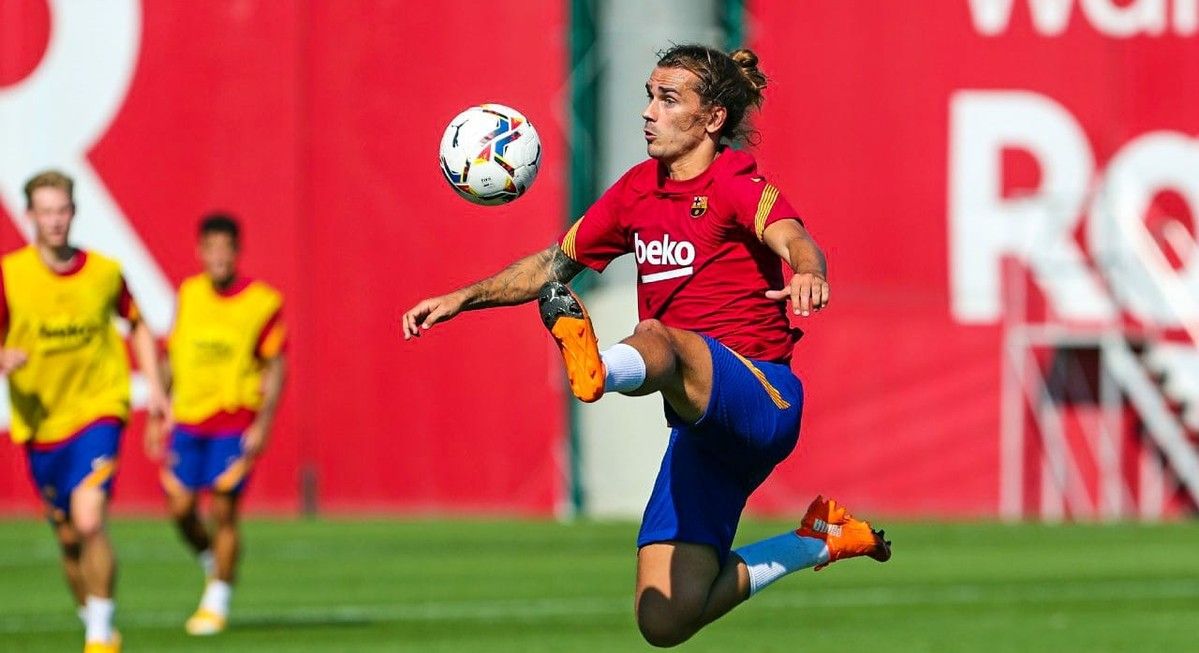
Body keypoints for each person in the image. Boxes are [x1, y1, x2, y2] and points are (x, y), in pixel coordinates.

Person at [402, 44, 891, 646]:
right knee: (664, 620)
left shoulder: (736, 181)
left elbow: (793, 236)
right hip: (701, 435)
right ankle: (818, 539)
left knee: (660, 336)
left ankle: (599, 370)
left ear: (712, 119)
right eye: (649, 96)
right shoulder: (637, 191)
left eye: (668, 99)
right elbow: (553, 265)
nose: (648, 112)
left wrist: (809, 271)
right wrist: (463, 297)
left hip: (763, 398)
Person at [0, 170, 169, 653]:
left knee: (90, 518)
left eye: (62, 211)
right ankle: (94, 618)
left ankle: (99, 636)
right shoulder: (10, 275)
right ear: (30, 216)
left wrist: (156, 389)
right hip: (41, 421)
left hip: (98, 408)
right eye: (45, 212)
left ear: (73, 212)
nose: (55, 221)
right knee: (69, 536)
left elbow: (137, 323)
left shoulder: (104, 272)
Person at [145, 213, 287, 636]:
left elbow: (276, 366)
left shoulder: (262, 302)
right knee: (180, 508)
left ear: (237, 251)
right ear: (200, 251)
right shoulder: (189, 294)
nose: (219, 257)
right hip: (188, 419)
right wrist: (156, 412)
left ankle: (217, 601)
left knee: (224, 509)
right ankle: (214, 562)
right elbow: (172, 357)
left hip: (234, 420)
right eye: (212, 248)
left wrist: (263, 423)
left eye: (227, 248)